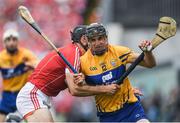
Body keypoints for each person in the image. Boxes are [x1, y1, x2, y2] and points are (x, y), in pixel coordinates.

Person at [16, 25, 120, 122]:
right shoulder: (74, 52)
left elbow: (80, 85)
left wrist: (124, 89)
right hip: (33, 94)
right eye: (92, 39)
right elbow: (74, 90)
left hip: (43, 97)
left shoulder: (78, 57)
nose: (95, 43)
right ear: (84, 39)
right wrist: (104, 89)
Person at [74, 23, 156, 122]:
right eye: (93, 40)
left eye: (100, 38)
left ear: (106, 38)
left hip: (130, 108)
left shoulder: (120, 52)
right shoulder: (83, 62)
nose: (97, 43)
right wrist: (83, 82)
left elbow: (150, 64)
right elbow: (77, 89)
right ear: (88, 41)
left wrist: (148, 52)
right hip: (108, 116)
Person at [0, 28, 38, 122]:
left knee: (32, 119)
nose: (11, 43)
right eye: (8, 40)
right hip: (7, 95)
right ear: (4, 43)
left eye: (14, 39)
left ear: (18, 41)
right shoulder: (1, 57)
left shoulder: (25, 54)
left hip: (23, 93)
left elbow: (38, 64)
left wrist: (28, 64)